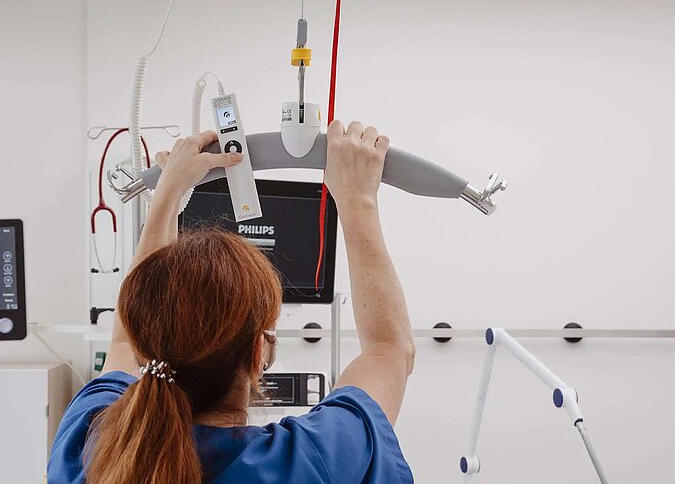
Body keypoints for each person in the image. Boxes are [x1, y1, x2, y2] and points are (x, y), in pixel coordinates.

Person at [48, 121, 416, 483]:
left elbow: (122, 344)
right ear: (258, 353)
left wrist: (167, 193)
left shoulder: (91, 444)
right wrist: (358, 199)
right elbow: (390, 350)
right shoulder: (312, 460)